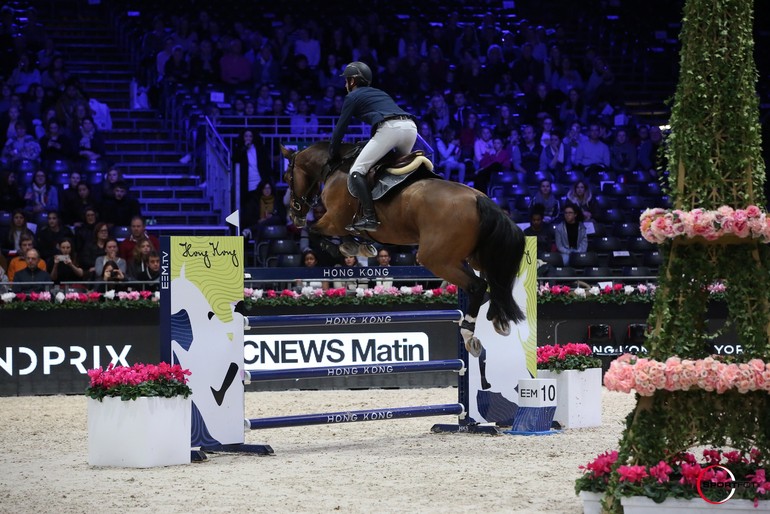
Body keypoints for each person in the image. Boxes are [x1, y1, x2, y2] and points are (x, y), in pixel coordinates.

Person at [327, 61, 418, 232]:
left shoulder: (352, 97)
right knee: (401, 171)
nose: (345, 84)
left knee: (357, 172)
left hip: (390, 129)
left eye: (346, 80)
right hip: (410, 127)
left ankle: (369, 216)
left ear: (352, 81)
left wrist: (333, 152)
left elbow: (340, 128)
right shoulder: (379, 93)